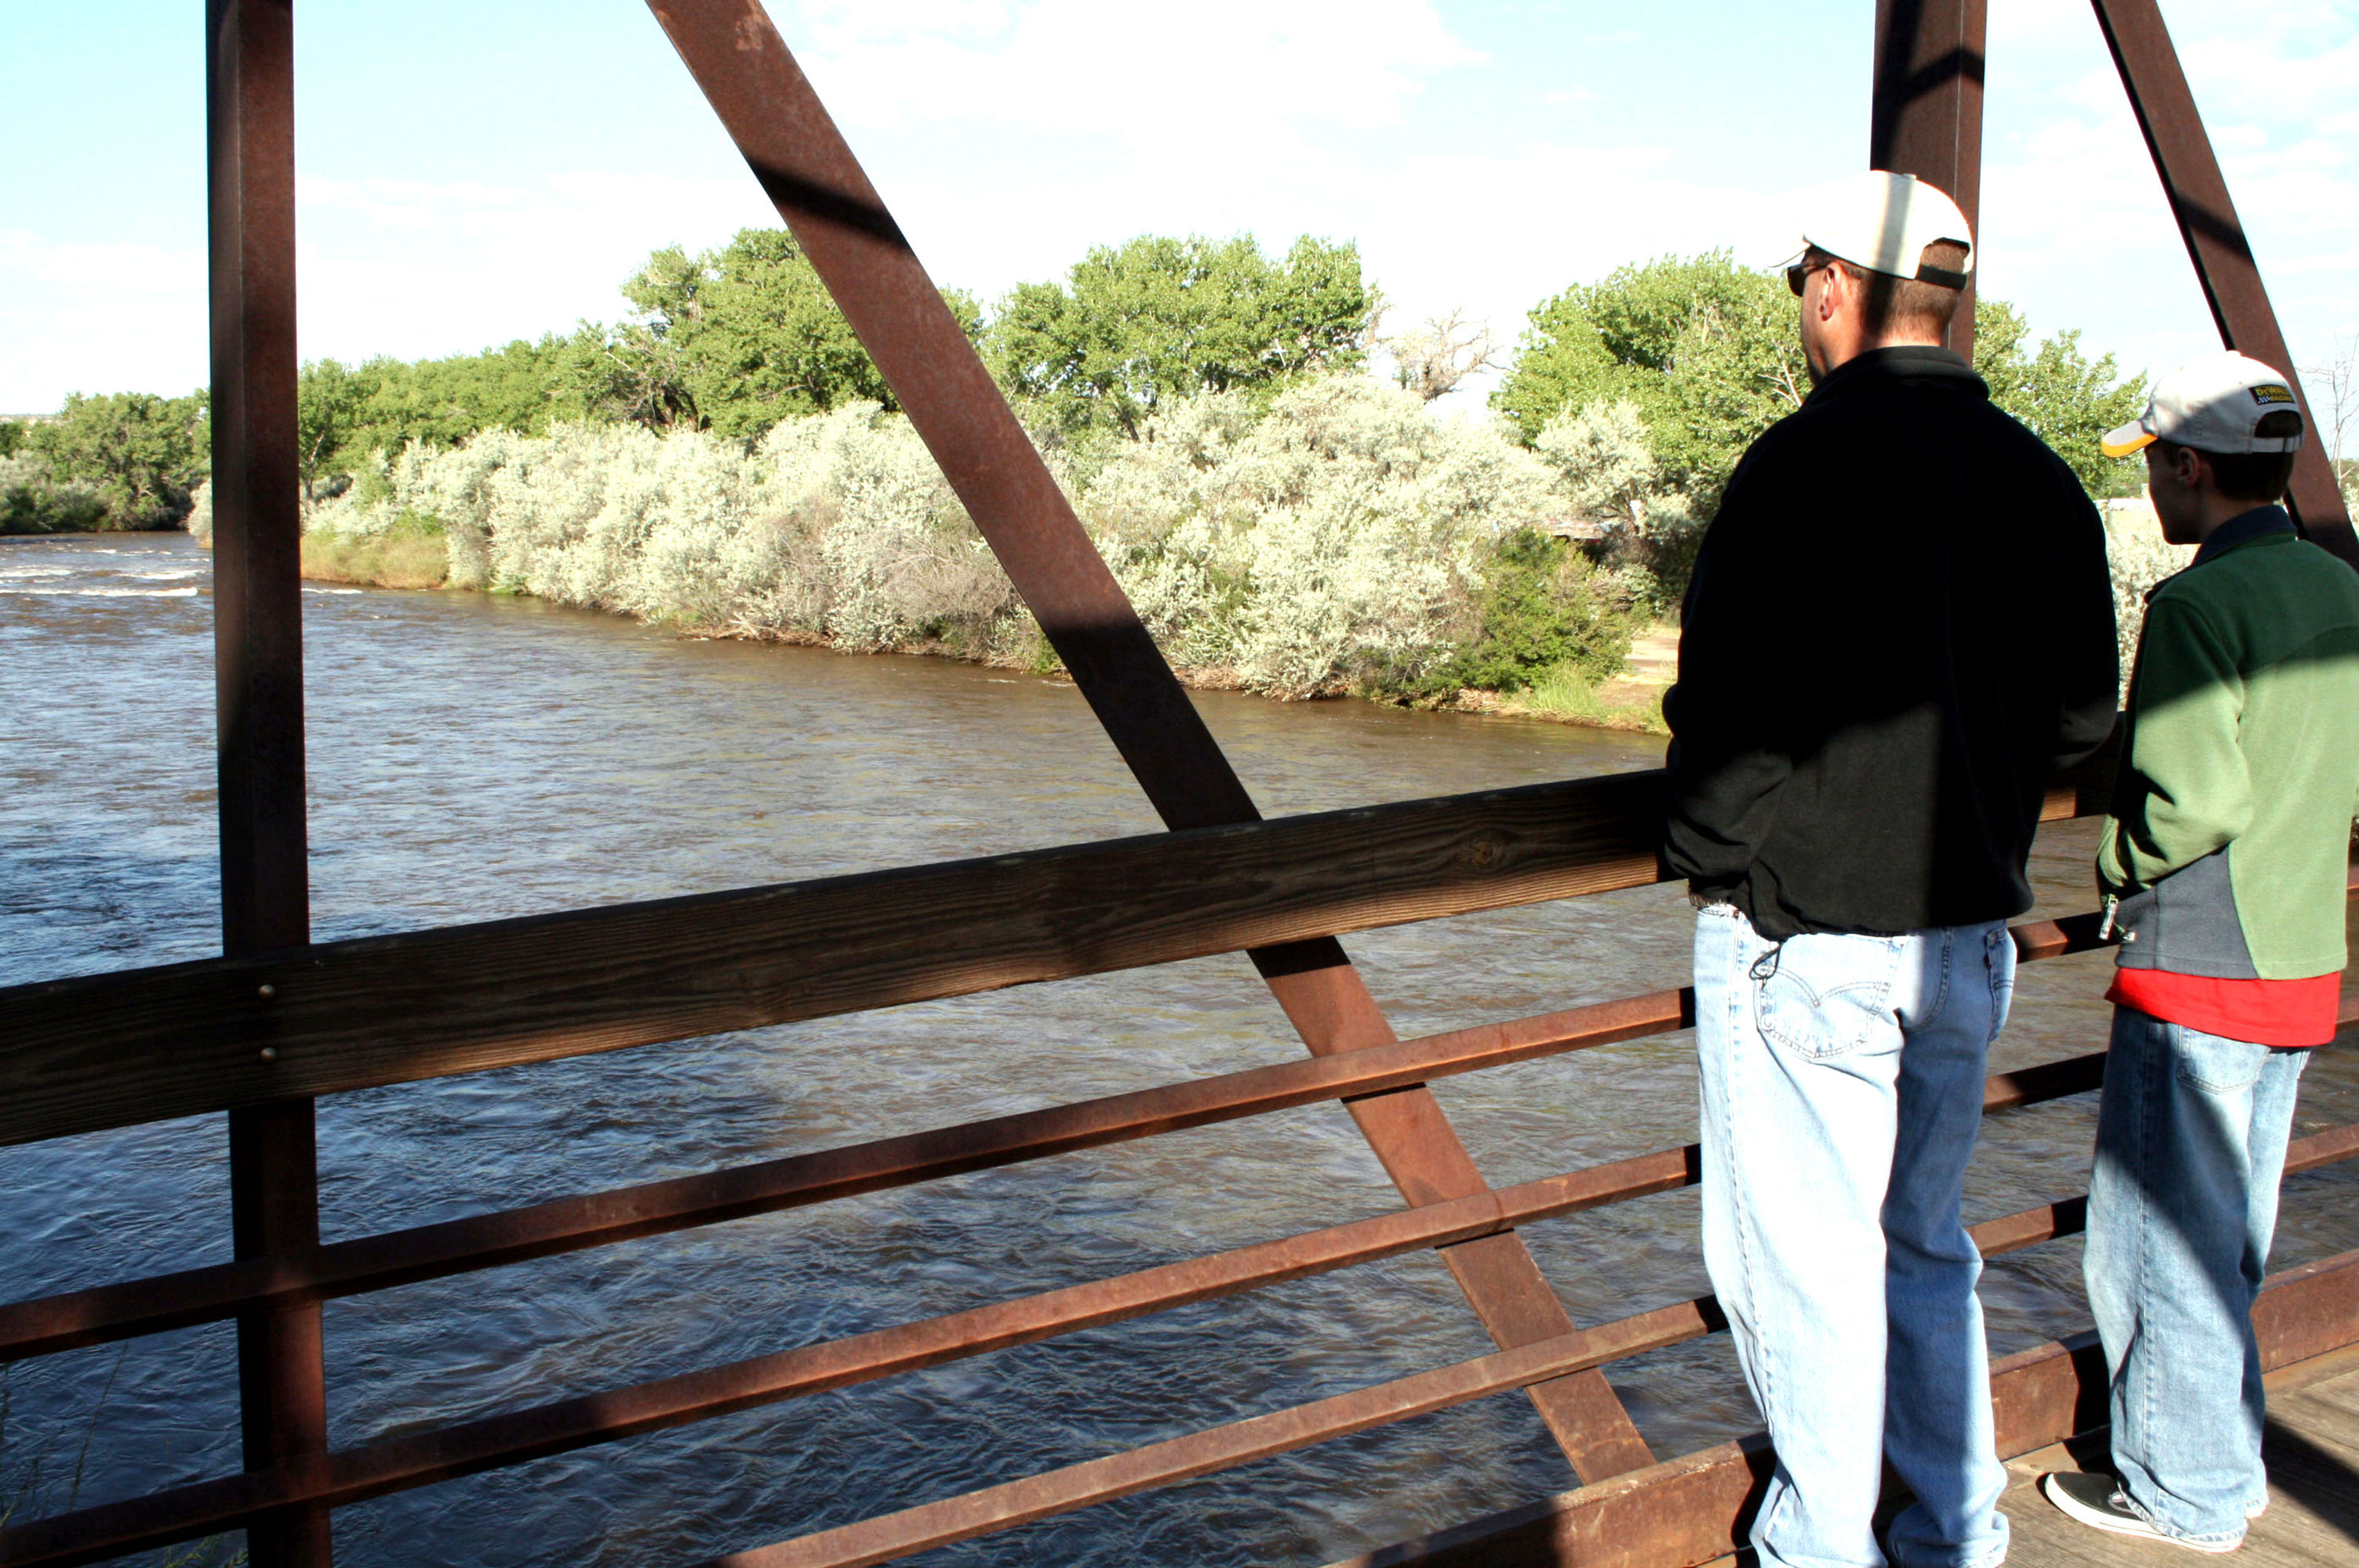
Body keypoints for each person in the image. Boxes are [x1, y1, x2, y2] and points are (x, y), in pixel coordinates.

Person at [1663, 168, 2119, 1568]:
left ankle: (1821, 1548)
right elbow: (2085, 719)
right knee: (1922, 1246)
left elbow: (1724, 717)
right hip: (1967, 937)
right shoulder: (2043, 481)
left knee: (1802, 1273)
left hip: (1805, 936)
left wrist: (1716, 855)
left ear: (1831, 289)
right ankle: (1955, 1538)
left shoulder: (1795, 468)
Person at [2038, 353, 2359, 1553]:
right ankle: (2221, 1459)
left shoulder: (2192, 607)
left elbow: (2192, 799)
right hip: (2300, 961)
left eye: (2156, 464)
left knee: (2152, 1238)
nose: (2154, 492)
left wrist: (2115, 864)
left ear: (2187, 465)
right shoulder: (2338, 587)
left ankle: (2187, 1492)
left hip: (2201, 965)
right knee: (2228, 1232)